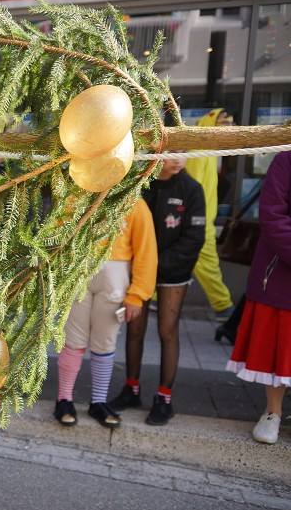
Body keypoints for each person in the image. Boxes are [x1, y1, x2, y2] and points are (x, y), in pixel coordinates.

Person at [110, 157, 206, 425]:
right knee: (134, 328)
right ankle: (131, 389)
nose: (179, 159)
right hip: (138, 269)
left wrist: (154, 264)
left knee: (167, 330)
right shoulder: (140, 184)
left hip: (173, 273)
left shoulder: (191, 189)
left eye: (186, 151)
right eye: (173, 150)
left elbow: (194, 239)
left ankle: (164, 398)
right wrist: (142, 266)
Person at [54, 199, 157, 428]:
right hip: (78, 271)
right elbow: (57, 233)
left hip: (115, 277)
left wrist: (137, 295)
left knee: (105, 343)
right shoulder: (77, 196)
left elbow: (146, 252)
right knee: (73, 340)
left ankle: (98, 401)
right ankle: (64, 398)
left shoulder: (135, 202)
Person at [226, 150, 290, 444]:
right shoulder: (286, 160)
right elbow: (272, 215)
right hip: (282, 273)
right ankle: (272, 412)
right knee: (278, 351)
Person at [185, 109, 234, 319]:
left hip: (201, 217)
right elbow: (193, 187)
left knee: (180, 257)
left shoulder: (208, 147)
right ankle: (223, 305)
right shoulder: (201, 147)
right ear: (212, 122)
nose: (229, 128)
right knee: (208, 262)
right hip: (198, 219)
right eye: (225, 123)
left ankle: (155, 297)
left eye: (231, 124)